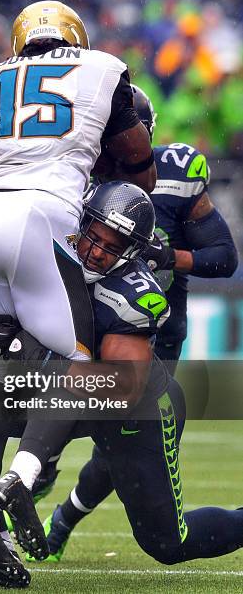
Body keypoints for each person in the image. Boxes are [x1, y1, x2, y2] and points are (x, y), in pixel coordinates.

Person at [0, 0, 156, 585]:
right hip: (46, 209)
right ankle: (24, 474)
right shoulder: (103, 69)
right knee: (76, 364)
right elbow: (138, 162)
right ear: (76, 37)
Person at [0, 181, 243, 584]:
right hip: (58, 396)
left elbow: (121, 385)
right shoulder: (43, 248)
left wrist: (37, 357)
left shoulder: (130, 294)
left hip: (134, 411)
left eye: (110, 247)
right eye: (92, 235)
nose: (95, 251)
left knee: (167, 543)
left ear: (131, 252)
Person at [25, 84, 239, 562]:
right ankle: (35, 472)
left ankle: (61, 516)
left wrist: (168, 254)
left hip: (151, 335)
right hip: (80, 328)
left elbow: (223, 258)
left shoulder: (177, 174)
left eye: (126, 140)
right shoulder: (72, 177)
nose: (117, 151)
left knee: (119, 447)